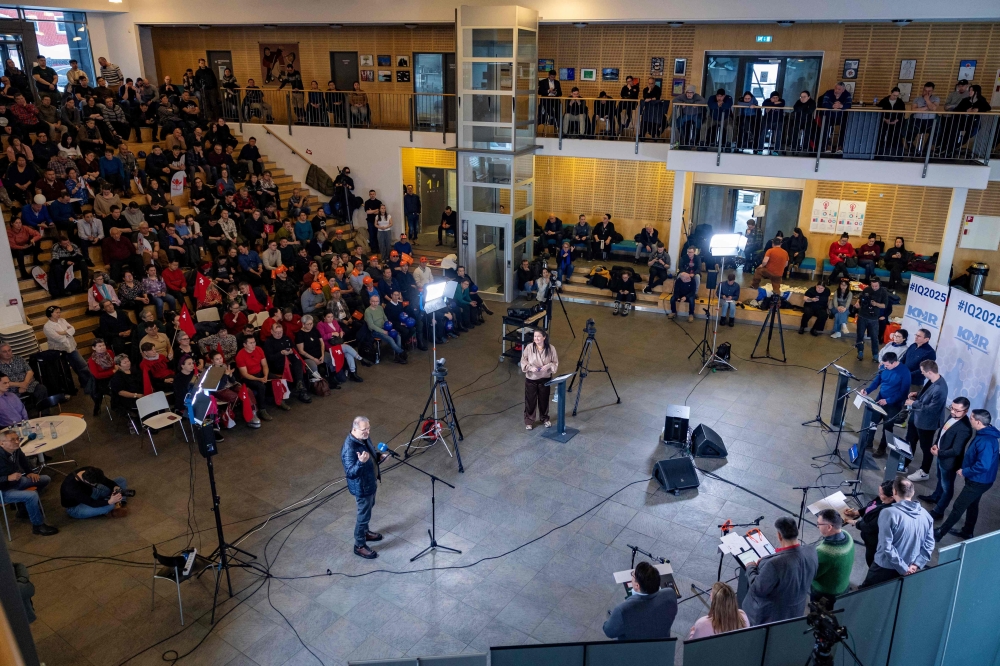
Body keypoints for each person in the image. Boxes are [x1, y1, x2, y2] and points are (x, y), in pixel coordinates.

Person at [934, 409, 999, 541]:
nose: (970, 420)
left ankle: (940, 533)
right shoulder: (985, 433)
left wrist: (965, 471)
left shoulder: (985, 441)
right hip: (980, 480)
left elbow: (983, 465)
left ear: (979, 422)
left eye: (972, 418)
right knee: (972, 504)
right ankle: (967, 531)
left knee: (958, 506)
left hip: (978, 481)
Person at [742, 517, 818, 625]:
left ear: (779, 535)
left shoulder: (774, 564)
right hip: (796, 609)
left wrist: (750, 567)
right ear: (797, 531)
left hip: (770, 616)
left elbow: (757, 589)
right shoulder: (811, 551)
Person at [861, 477, 934, 587]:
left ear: (894, 492)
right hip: (910, 567)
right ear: (913, 492)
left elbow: (886, 546)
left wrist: (902, 567)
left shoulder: (888, 513)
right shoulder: (926, 515)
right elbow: (929, 544)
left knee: (866, 592)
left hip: (884, 567)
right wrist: (916, 564)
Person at [341, 415, 388, 559]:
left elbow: (370, 453)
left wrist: (378, 457)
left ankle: (365, 533)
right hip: (362, 487)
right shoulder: (350, 447)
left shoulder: (364, 438)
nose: (367, 432)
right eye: (363, 429)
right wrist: (361, 463)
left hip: (370, 482)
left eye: (368, 428)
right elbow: (350, 473)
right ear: (354, 429)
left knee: (369, 508)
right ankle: (359, 545)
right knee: (363, 515)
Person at [919, 398, 973, 519]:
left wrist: (939, 453)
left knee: (947, 488)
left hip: (949, 462)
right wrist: (935, 444)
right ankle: (935, 497)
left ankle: (939, 511)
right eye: (952, 408)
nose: (953, 411)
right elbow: (942, 433)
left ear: (966, 411)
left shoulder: (965, 428)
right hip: (940, 455)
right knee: (940, 479)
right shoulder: (952, 416)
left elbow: (956, 450)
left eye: (957, 410)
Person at [0, 431, 58, 536]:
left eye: (18, 438)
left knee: (45, 479)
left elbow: (23, 460)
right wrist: (7, 478)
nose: (17, 442)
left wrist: (30, 472)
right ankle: (38, 526)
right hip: (2, 490)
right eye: (12, 440)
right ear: (1, 443)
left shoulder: (15, 450)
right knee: (31, 496)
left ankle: (23, 508)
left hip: (17, 482)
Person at [602, 561, 677, 640]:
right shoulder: (670, 594)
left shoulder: (623, 610)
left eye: (632, 576)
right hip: (661, 642)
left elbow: (608, 631)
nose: (631, 578)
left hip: (635, 649)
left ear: (637, 585)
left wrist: (623, 609)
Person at [860, 352, 911, 457]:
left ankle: (882, 449)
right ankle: (868, 443)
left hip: (893, 404)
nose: (885, 367)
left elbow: (903, 393)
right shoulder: (884, 367)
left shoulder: (905, 372)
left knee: (887, 427)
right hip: (880, 400)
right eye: (884, 365)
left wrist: (888, 400)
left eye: (887, 365)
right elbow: (877, 380)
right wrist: (867, 390)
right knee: (872, 422)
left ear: (894, 362)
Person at [905, 360, 949, 481]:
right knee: (910, 440)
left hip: (927, 423)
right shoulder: (932, 381)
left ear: (930, 372)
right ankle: (904, 463)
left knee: (926, 448)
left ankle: (924, 471)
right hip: (918, 417)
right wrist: (917, 394)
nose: (922, 373)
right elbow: (926, 395)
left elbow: (931, 409)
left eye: (923, 371)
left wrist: (913, 403)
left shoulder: (940, 388)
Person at [845, 480, 896, 567]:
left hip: (874, 543)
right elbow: (871, 506)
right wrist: (855, 513)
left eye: (881, 494)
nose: (879, 495)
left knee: (871, 560)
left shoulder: (886, 512)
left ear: (891, 497)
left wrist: (854, 522)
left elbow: (870, 527)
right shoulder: (883, 500)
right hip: (868, 537)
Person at [42, 306, 93, 390]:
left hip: (72, 347)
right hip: (59, 351)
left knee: (82, 366)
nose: (59, 314)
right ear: (50, 314)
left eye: (59, 312)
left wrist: (63, 332)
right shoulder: (47, 327)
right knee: (65, 370)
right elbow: (58, 338)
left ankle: (87, 383)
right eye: (57, 312)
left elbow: (73, 329)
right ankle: (69, 388)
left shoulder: (62, 320)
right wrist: (67, 333)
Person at [811, 509, 854, 607]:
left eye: (819, 524)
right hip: (844, 586)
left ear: (829, 527)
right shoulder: (847, 535)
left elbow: (811, 575)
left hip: (827, 594)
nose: (817, 526)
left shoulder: (825, 552)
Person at [520, 329, 558, 430]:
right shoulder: (529, 347)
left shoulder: (551, 348)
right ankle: (529, 421)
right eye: (535, 336)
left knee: (544, 400)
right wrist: (530, 367)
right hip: (531, 379)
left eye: (538, 336)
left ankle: (545, 418)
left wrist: (549, 365)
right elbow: (523, 361)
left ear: (544, 337)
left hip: (545, 378)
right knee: (530, 401)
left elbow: (555, 362)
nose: (536, 338)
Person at [60, 466, 132, 519]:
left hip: (90, 493)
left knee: (121, 480)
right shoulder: (71, 488)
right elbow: (92, 503)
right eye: (96, 484)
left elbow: (106, 481)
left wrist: (115, 487)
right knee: (109, 506)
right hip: (76, 506)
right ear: (88, 482)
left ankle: (119, 502)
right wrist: (109, 502)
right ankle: (111, 508)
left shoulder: (89, 470)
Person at [855, 277, 888, 361]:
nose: (874, 287)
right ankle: (860, 351)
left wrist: (876, 304)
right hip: (862, 316)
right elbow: (860, 298)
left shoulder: (883, 292)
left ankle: (875, 354)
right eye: (872, 286)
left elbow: (884, 305)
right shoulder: (866, 289)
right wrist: (858, 303)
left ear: (879, 284)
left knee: (874, 337)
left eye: (876, 286)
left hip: (873, 318)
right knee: (860, 335)